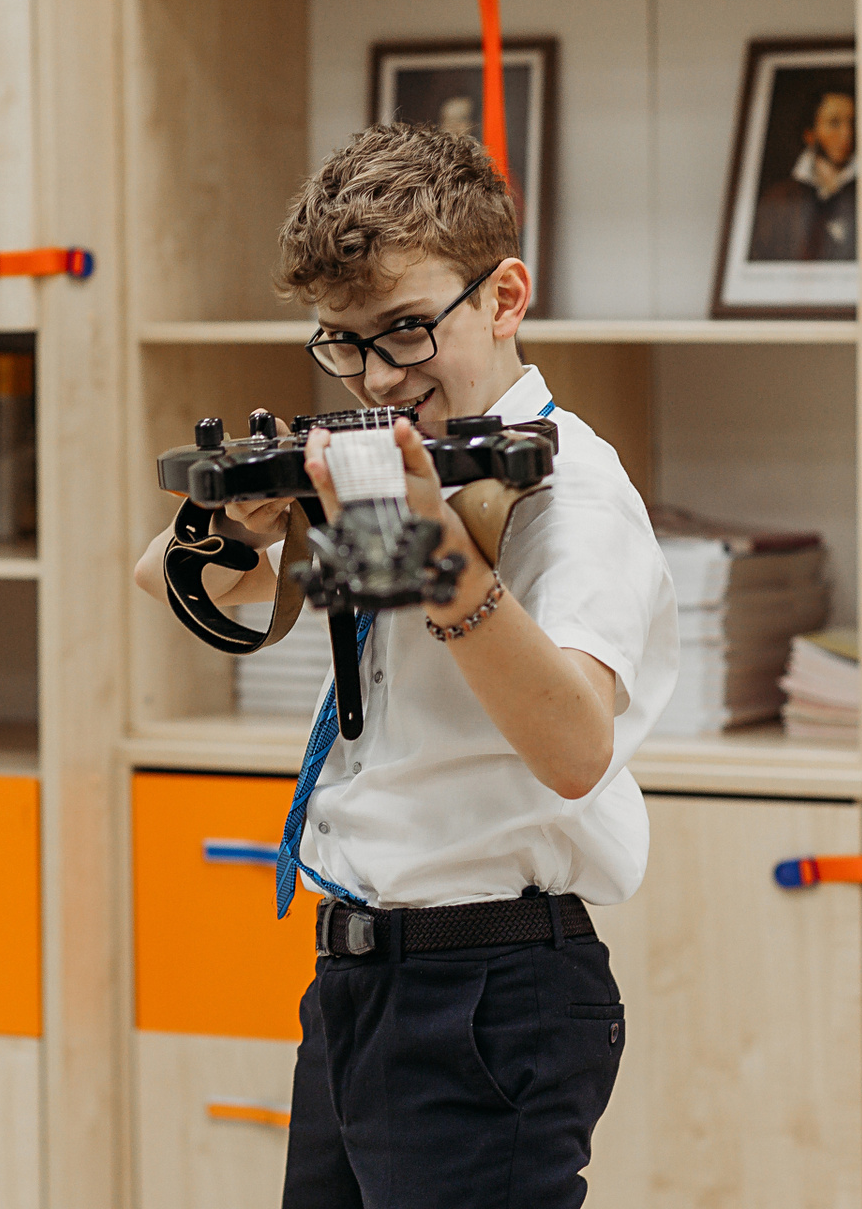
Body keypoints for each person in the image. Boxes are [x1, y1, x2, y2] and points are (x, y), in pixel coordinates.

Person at [133, 122, 678, 1208]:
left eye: (409, 331)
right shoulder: (391, 471)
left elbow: (577, 747)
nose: (380, 374)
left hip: (488, 982)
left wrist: (434, 556)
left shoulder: (572, 490)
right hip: (362, 974)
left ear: (505, 297)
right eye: (344, 343)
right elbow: (164, 576)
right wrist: (238, 522)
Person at [749, 86, 856, 261]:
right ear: (810, 134)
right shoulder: (779, 197)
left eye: (852, 123)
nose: (847, 134)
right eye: (834, 123)